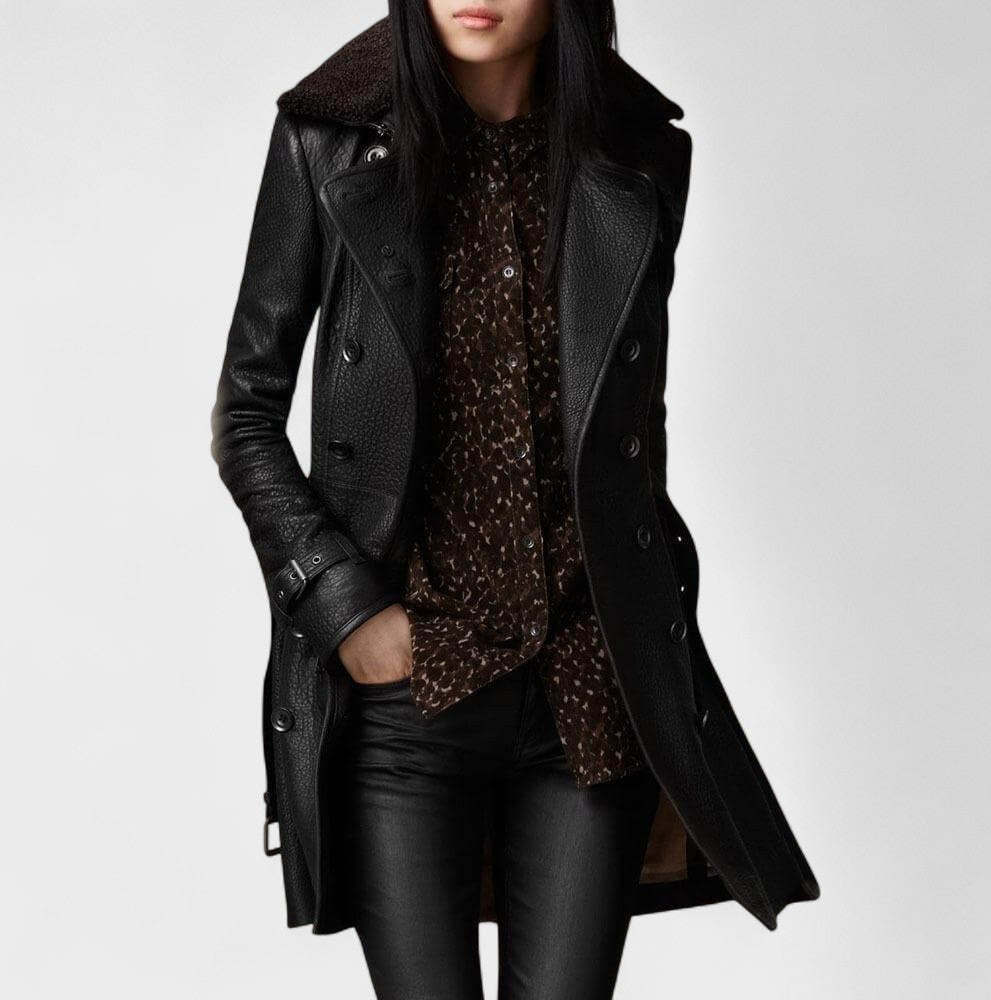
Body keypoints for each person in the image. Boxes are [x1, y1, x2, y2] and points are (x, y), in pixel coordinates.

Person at [211, 3, 820, 998]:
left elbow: (628, 428)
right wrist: (342, 606)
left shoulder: (642, 157)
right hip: (408, 702)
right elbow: (245, 414)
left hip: (587, 688)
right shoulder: (328, 142)